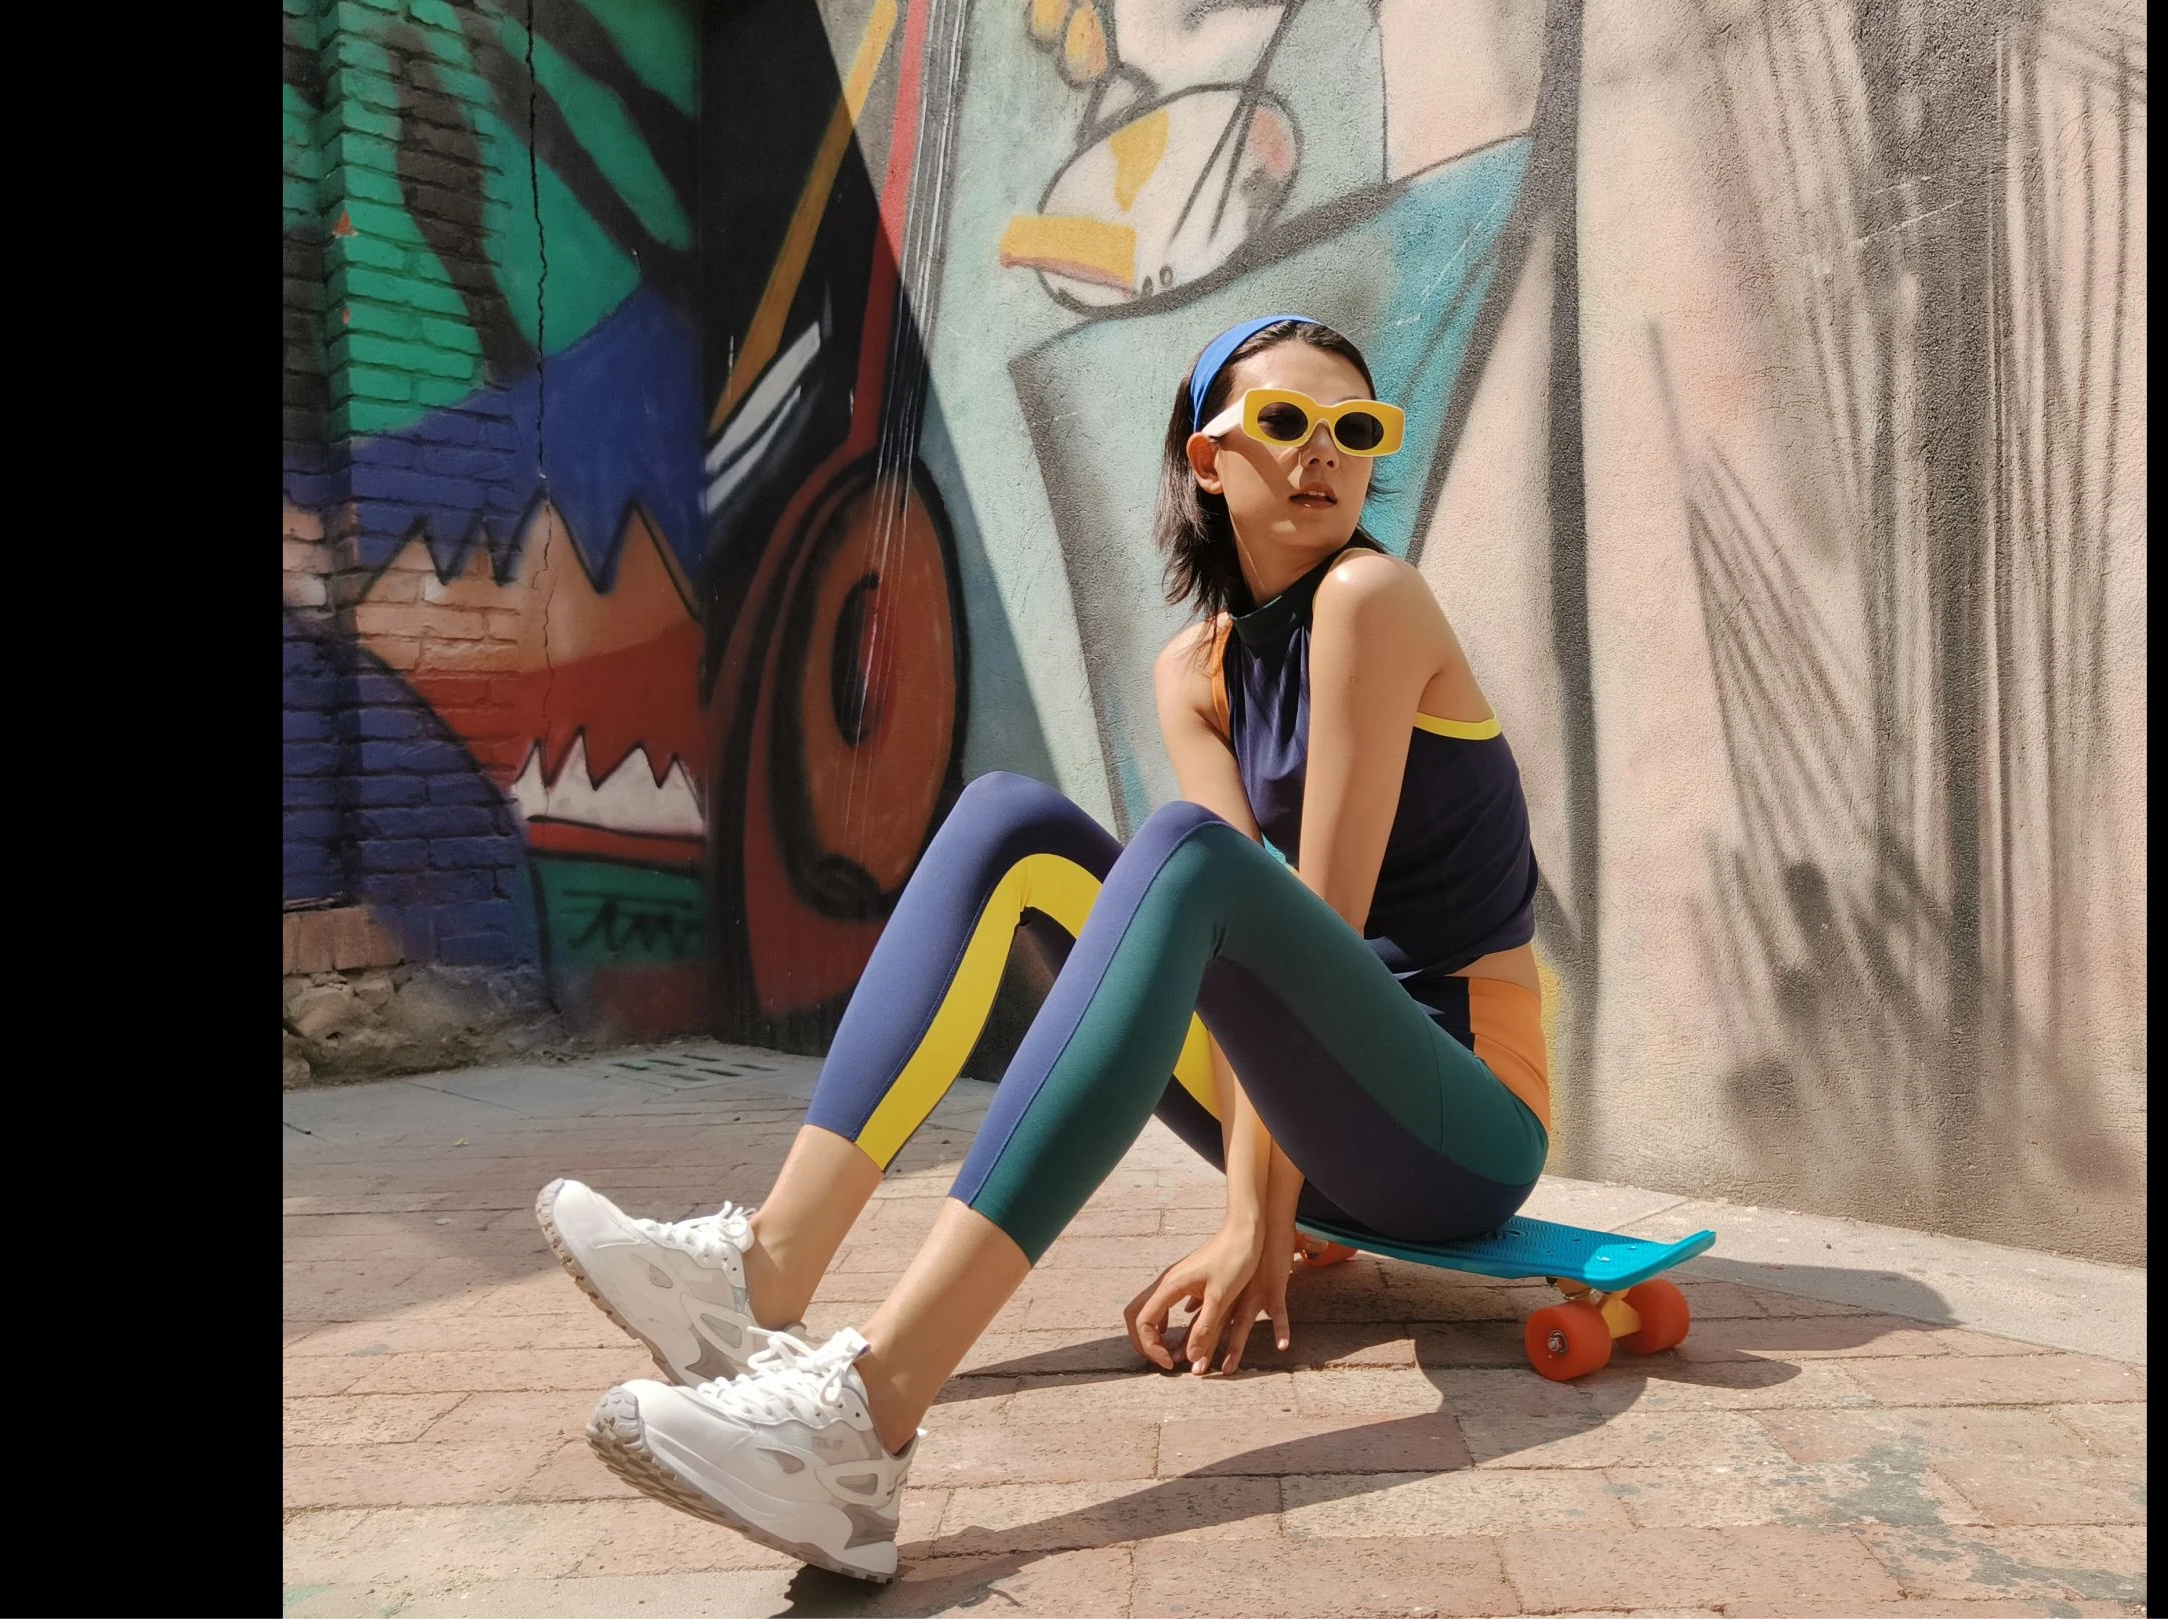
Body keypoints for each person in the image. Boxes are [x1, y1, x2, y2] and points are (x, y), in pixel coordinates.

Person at [532, 314, 1551, 1582]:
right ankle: (764, 1270)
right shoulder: (1197, 669)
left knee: (1184, 857)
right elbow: (1252, 974)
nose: (1325, 452)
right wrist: (1260, 1209)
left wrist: (1254, 1220)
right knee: (1008, 818)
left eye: (1357, 428)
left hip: (1460, 1127)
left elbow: (1320, 929)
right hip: (1326, 1118)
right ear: (1207, 458)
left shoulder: (1370, 597)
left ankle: (863, 1423)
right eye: (1286, 421)